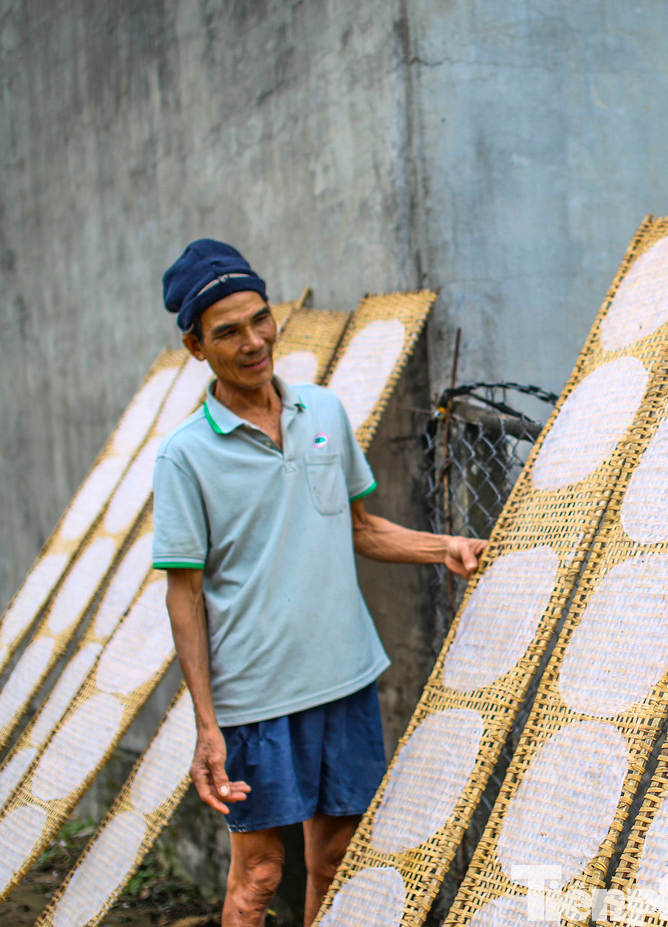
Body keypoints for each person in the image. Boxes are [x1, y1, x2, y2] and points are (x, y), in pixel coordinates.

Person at [152, 240, 486, 927]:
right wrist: (207, 726)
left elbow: (358, 527)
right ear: (194, 345)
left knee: (334, 862)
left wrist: (443, 546)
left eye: (259, 319)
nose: (253, 342)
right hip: (254, 700)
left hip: (344, 680)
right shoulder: (185, 456)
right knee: (258, 877)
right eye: (228, 332)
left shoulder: (325, 413)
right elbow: (182, 594)